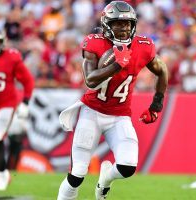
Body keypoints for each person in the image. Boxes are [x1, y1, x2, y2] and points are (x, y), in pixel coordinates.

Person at [57, 1, 168, 200]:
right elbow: (90, 81)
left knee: (128, 167)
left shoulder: (143, 46)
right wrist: (116, 65)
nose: (124, 29)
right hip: (92, 112)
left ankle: (105, 179)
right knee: (77, 175)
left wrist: (156, 104)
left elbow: (162, 71)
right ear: (107, 24)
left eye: (127, 24)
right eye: (117, 23)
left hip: (119, 116)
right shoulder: (94, 43)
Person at [0, 28, 34, 191]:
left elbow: (28, 81)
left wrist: (25, 102)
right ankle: (3, 172)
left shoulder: (12, 57)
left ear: (2, 42)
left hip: (6, 103)